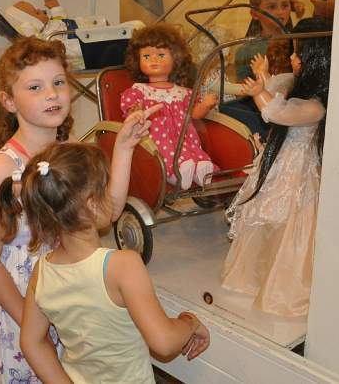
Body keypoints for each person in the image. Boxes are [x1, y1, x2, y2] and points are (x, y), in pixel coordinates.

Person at [0, 36, 160, 383]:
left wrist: (124, 148)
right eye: (35, 87)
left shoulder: (70, 151)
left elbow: (105, 214)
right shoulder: (3, 167)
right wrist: (30, 322)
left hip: (66, 302)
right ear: (9, 101)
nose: (52, 94)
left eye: (59, 82)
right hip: (20, 310)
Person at [17, 142, 211, 383]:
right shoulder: (123, 266)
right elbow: (164, 343)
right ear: (92, 204)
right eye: (105, 188)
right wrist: (189, 322)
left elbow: (31, 341)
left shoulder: (43, 270)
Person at [221, 17, 333, 318]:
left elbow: (279, 112)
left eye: (299, 53)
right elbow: (278, 88)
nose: (293, 58)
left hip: (298, 171)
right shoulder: (297, 86)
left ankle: (283, 287)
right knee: (267, 219)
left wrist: (260, 92)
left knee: (292, 224)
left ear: (316, 59)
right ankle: (255, 275)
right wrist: (264, 77)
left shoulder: (316, 106)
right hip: (280, 163)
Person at [121, 23, 219, 190]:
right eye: (146, 56)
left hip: (185, 138)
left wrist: (205, 105)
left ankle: (199, 168)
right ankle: (173, 173)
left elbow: (194, 114)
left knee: (193, 149)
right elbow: (130, 112)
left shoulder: (183, 92)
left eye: (161, 55)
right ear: (137, 60)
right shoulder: (139, 91)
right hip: (155, 137)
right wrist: (135, 112)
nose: (153, 60)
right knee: (164, 149)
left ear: (176, 58)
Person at [221, 0, 293, 139]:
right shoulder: (246, 50)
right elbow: (243, 92)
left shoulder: (297, 42)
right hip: (263, 110)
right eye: (272, 7)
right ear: (254, 13)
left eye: (285, 5)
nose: (280, 12)